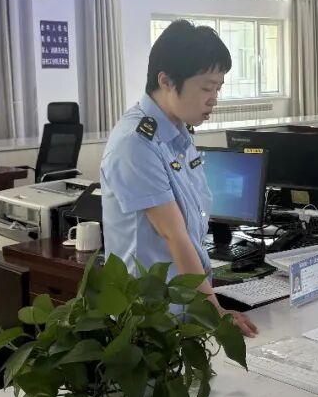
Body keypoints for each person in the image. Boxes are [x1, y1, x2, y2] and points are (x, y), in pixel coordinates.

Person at [100, 20, 258, 338]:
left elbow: (193, 222)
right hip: (149, 319)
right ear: (167, 81)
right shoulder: (136, 143)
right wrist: (215, 312)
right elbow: (175, 236)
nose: (214, 99)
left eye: (218, 89)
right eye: (206, 88)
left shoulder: (178, 133)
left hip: (184, 308)